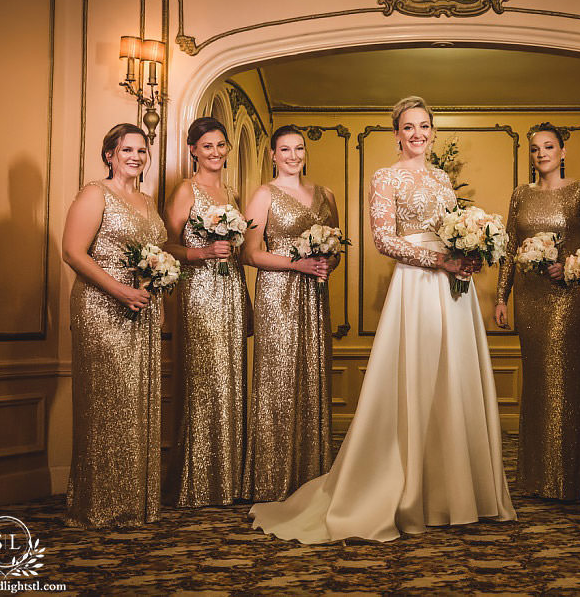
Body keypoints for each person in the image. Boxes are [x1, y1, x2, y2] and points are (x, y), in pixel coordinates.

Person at [249, 96, 515, 543]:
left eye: (424, 126)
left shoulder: (443, 178)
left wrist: (468, 255)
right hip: (415, 286)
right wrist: (439, 260)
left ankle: (456, 493)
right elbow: (383, 240)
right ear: (397, 133)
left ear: (433, 132)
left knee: (454, 380)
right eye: (408, 127)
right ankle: (406, 494)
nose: (417, 134)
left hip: (455, 290)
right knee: (414, 381)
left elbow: (453, 228)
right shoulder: (385, 176)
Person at [62, 123, 166, 527]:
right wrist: (120, 291)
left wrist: (152, 283)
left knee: (134, 403)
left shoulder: (148, 199)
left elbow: (152, 253)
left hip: (141, 309)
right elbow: (73, 252)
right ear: (110, 155)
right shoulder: (95, 192)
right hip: (100, 307)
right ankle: (99, 505)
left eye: (141, 151)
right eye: (127, 150)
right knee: (106, 404)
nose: (135, 157)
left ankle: (133, 502)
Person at [494, 123, 580, 500]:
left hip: (566, 297)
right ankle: (536, 476)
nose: (541, 153)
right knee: (537, 381)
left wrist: (570, 265)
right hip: (530, 298)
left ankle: (567, 478)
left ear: (562, 151)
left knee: (563, 380)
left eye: (549, 147)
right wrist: (500, 297)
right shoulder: (520, 195)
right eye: (535, 148)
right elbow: (509, 247)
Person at [241, 125, 339, 502]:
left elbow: (335, 249)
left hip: (314, 295)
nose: (293, 156)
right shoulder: (264, 194)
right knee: (278, 380)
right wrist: (297, 265)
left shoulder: (326, 194)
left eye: (299, 148)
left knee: (314, 376)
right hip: (278, 294)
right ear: (272, 154)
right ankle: (271, 479)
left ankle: (313, 475)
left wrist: (328, 262)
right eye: (285, 149)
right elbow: (249, 253)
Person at [163, 117, 251, 507]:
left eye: (221, 145)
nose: (215, 152)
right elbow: (166, 246)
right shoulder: (186, 189)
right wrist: (200, 253)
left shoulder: (231, 192)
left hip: (230, 287)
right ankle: (196, 481)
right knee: (204, 376)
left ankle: (227, 477)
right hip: (199, 290)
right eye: (207, 146)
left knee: (230, 374)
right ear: (193, 150)